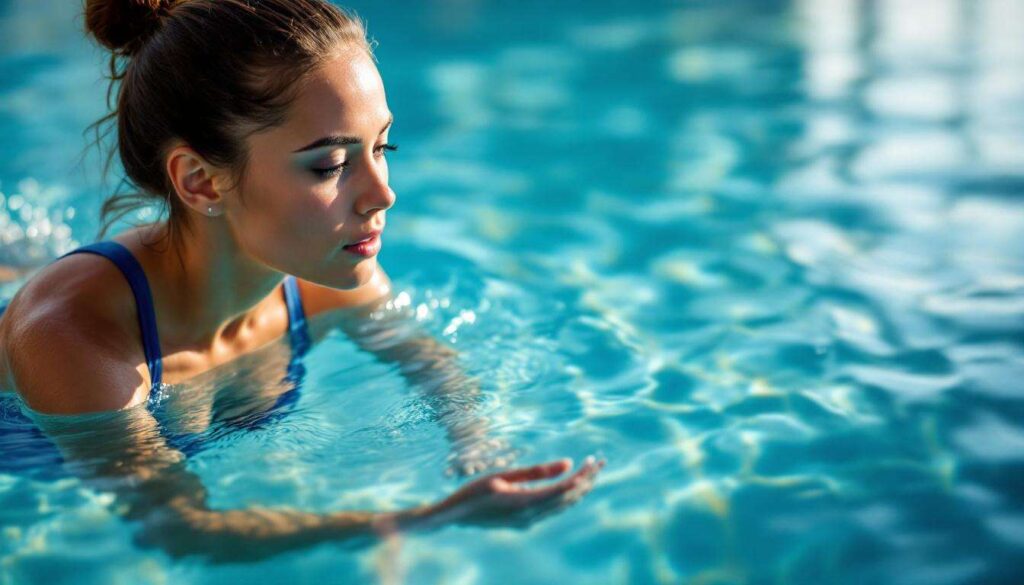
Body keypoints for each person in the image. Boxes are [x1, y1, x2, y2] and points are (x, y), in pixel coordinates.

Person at [0, 0, 603, 561]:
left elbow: (432, 364)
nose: (382, 194)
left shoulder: (330, 273)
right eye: (331, 164)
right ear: (202, 182)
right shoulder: (75, 341)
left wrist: (476, 443)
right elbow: (174, 527)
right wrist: (422, 520)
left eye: (382, 146)